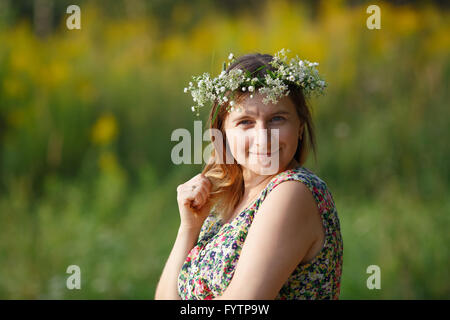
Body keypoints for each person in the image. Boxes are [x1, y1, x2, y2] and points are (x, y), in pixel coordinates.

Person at [155, 50, 343, 300]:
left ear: (299, 127)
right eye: (245, 122)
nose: (263, 137)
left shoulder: (292, 192)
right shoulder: (224, 201)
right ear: (222, 132)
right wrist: (188, 228)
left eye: (277, 119)